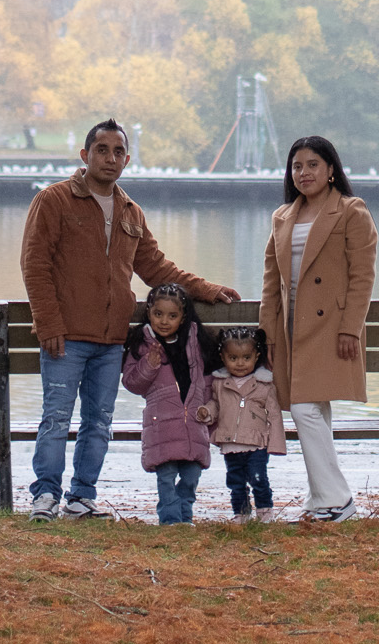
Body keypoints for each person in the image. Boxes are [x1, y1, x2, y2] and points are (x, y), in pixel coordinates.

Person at [20, 119, 240, 520]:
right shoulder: (54, 200)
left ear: (126, 159)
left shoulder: (130, 211)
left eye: (118, 152)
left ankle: (81, 497)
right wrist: (48, 323)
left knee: (99, 422)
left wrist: (206, 289)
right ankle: (46, 495)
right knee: (56, 418)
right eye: (102, 150)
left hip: (111, 341)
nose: (110, 158)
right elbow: (35, 265)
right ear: (85, 155)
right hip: (65, 337)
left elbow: (156, 268)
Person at [260, 134, 377, 523]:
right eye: (297, 166)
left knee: (305, 408)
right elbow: (271, 283)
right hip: (291, 328)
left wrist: (350, 329)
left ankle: (336, 499)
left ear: (330, 170)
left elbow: (362, 277)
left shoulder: (351, 211)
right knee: (313, 409)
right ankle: (320, 498)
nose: (304, 172)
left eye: (313, 164)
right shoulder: (282, 216)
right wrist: (267, 334)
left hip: (331, 328)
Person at [121, 283, 213, 524]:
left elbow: (207, 380)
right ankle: (171, 520)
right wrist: (149, 365)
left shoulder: (195, 341)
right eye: (158, 314)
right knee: (166, 476)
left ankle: (184, 515)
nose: (164, 321)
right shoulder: (142, 344)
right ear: (149, 312)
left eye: (172, 316)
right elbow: (132, 383)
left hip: (193, 422)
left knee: (192, 475)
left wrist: (209, 408)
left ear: (183, 317)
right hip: (162, 423)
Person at [199, 324, 285, 524]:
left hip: (256, 443)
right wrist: (207, 412)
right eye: (233, 358)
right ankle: (241, 513)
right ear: (223, 358)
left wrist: (276, 444)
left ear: (256, 357)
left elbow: (274, 415)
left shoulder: (263, 384)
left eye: (246, 358)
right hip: (230, 441)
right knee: (235, 481)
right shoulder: (220, 383)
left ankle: (265, 511)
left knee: (258, 478)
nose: (240, 363)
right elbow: (216, 405)